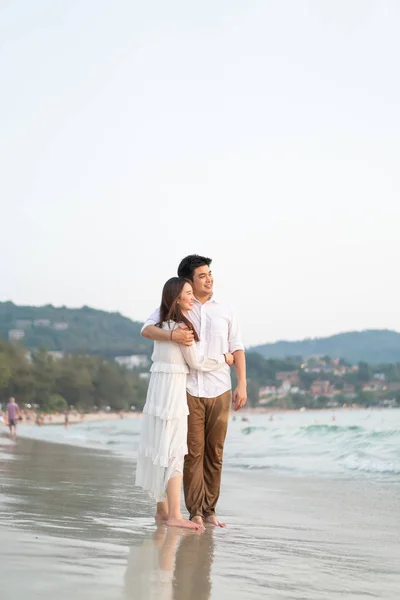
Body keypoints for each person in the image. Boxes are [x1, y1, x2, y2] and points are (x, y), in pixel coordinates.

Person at [142, 254, 247, 528]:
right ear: (188, 282)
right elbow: (147, 329)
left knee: (215, 451)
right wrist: (172, 335)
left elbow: (237, 347)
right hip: (188, 389)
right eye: (202, 275)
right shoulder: (179, 309)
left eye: (209, 273)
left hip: (220, 388)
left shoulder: (225, 309)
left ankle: (210, 511)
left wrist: (242, 384)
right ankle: (195, 511)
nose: (209, 279)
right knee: (191, 451)